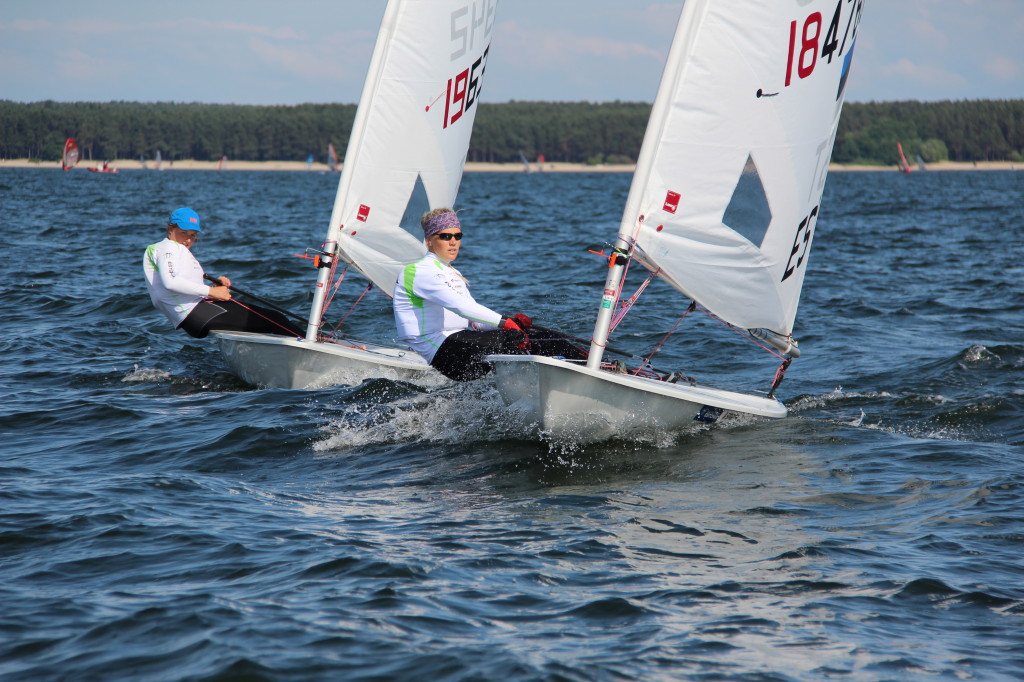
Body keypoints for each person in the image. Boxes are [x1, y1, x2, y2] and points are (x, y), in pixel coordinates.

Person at [393, 208, 585, 381]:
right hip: (444, 353)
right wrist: (504, 323)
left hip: (462, 341)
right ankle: (571, 375)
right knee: (516, 340)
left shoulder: (452, 273)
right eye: (445, 236)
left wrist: (512, 323)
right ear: (429, 240)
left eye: (457, 236)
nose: (453, 242)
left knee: (540, 336)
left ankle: (591, 365)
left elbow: (475, 322)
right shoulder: (418, 271)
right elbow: (462, 308)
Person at [143, 207, 304, 339]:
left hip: (199, 311)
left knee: (270, 320)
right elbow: (171, 283)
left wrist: (213, 287)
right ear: (171, 228)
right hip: (197, 314)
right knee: (276, 320)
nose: (188, 240)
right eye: (184, 233)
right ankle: (318, 344)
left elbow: (182, 284)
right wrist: (212, 291)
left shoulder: (172, 249)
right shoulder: (168, 248)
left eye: (193, 236)